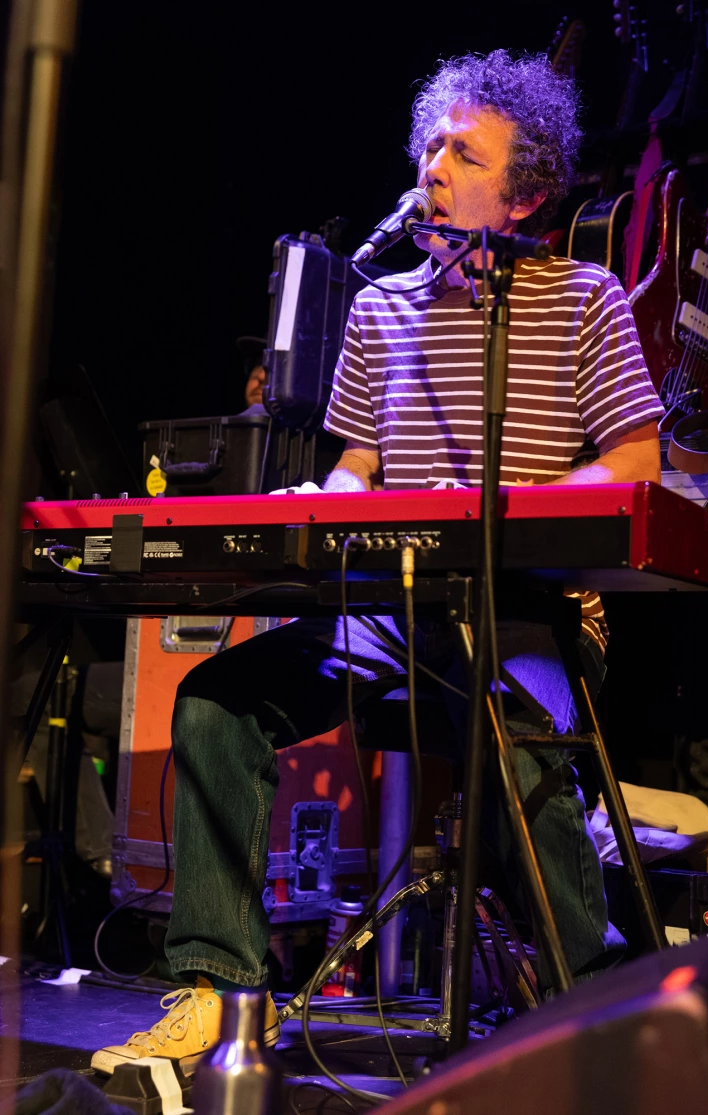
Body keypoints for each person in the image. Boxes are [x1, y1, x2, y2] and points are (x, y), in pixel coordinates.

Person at [92, 49, 663, 1076]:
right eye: (431, 145)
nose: (434, 166)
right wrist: (319, 504)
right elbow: (358, 468)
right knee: (220, 702)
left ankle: (600, 1024)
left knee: (515, 729)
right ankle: (218, 992)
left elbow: (633, 461)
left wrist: (499, 507)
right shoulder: (381, 308)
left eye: (464, 152)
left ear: (525, 191)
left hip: (529, 611)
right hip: (391, 617)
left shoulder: (588, 298)